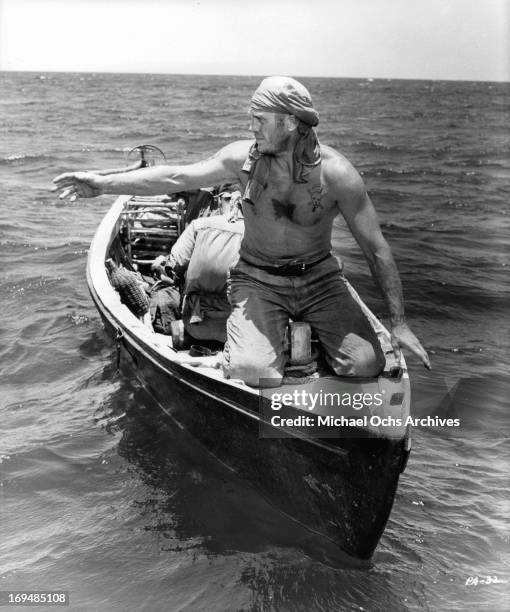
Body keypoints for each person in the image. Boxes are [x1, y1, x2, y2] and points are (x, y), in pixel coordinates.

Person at [53, 76, 430, 387]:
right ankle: (260, 344)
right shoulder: (243, 159)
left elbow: (376, 249)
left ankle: (294, 344)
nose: (252, 127)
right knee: (255, 373)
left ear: (291, 123)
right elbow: (176, 175)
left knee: (365, 365)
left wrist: (400, 324)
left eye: (260, 119)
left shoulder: (337, 175)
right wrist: (102, 183)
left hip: (320, 278)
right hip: (258, 278)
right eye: (251, 118)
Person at [153, 185, 244, 344]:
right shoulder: (264, 236)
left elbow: (173, 268)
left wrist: (160, 265)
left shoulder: (199, 225)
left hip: (198, 326)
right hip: (244, 332)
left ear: (220, 201)